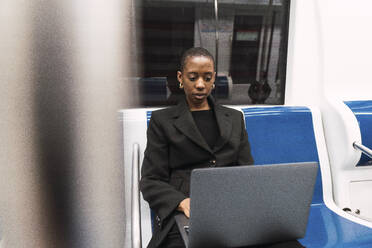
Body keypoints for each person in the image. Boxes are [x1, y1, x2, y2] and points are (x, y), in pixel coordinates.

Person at [140, 47, 303, 248]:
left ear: (214, 79)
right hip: (186, 213)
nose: (200, 84)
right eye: (193, 77)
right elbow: (151, 180)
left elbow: (246, 172)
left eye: (207, 78)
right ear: (180, 78)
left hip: (232, 209)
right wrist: (182, 203)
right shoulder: (162, 120)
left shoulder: (234, 118)